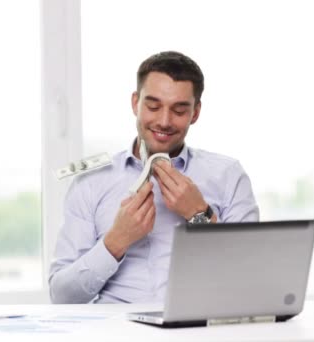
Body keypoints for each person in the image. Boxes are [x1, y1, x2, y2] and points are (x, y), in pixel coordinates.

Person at [49, 51, 259, 304]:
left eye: (179, 110)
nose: (164, 121)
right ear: (135, 103)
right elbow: (62, 297)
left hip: (198, 330)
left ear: (195, 112)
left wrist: (200, 215)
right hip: (115, 332)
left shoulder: (228, 175)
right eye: (153, 106)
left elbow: (249, 282)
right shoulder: (91, 181)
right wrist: (116, 241)